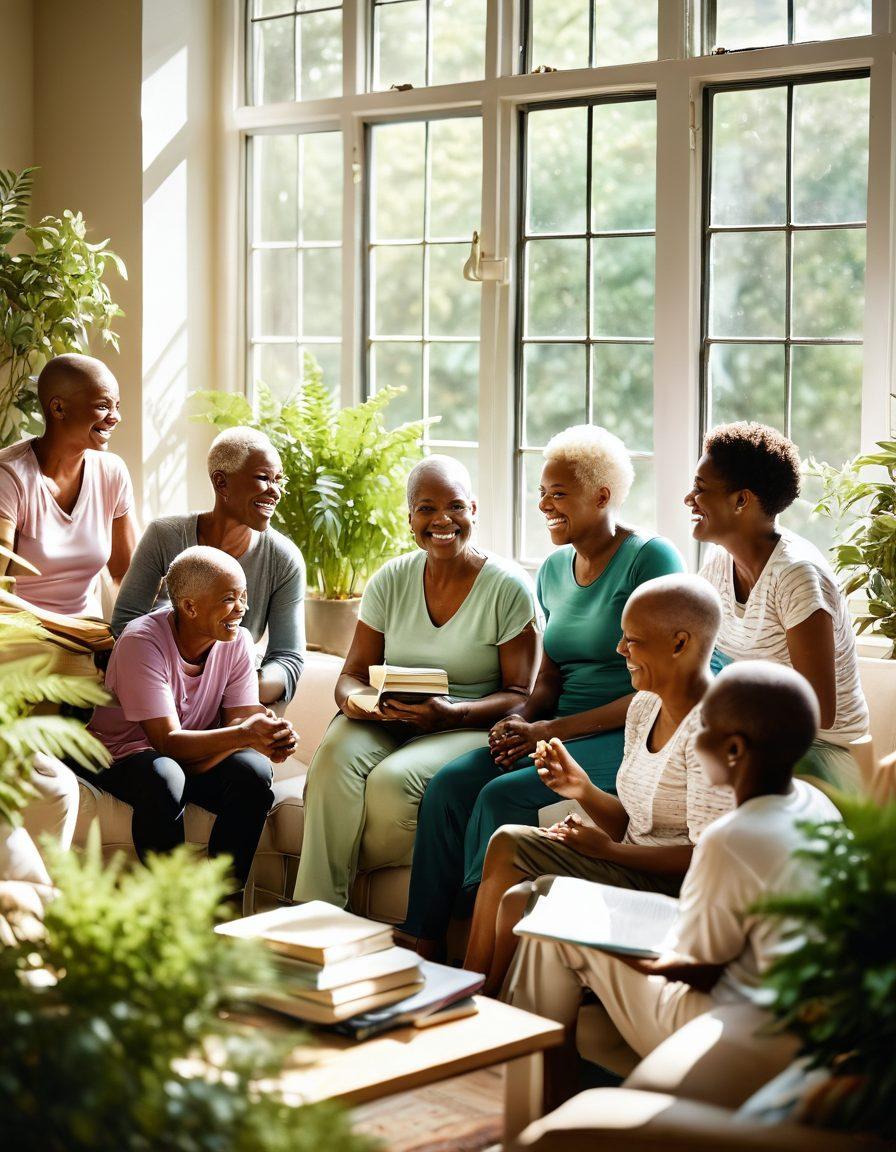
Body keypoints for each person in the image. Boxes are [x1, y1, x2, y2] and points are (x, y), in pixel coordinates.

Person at [503, 661, 841, 1110]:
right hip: (799, 1014)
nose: (694, 741)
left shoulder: (730, 838)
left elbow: (697, 971)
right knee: (559, 911)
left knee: (552, 931)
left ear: (735, 750)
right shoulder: (816, 805)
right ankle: (551, 1091)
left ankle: (534, 1104)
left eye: (703, 731)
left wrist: (618, 947)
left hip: (728, 1021)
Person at [400, 426, 684, 957]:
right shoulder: (553, 568)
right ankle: (424, 936)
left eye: (559, 493)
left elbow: (659, 690)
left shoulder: (651, 559)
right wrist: (523, 719)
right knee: (448, 785)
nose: (544, 504)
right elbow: (549, 677)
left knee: (500, 793)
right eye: (541, 492)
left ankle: (487, 936)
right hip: (558, 728)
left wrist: (549, 730)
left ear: (602, 496)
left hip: (628, 729)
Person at [464, 574, 735, 994]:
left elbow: (705, 858)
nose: (619, 649)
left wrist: (608, 851)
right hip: (631, 865)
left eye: (633, 640)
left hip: (677, 888)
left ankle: (469, 998)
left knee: (507, 843)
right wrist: (582, 789)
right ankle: (484, 1005)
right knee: (517, 896)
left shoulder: (711, 731)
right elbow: (633, 824)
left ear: (680, 644)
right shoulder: (644, 707)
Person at [293, 455, 540, 908]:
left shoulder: (508, 587)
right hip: (386, 716)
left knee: (391, 784)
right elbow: (350, 676)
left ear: (474, 511)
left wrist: (452, 712)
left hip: (465, 721)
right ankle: (315, 917)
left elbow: (521, 698)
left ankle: (337, 874)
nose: (442, 519)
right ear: (410, 520)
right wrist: (355, 704)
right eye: (426, 508)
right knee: (330, 761)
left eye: (456, 506)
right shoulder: (390, 579)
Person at [85, 546, 296, 890]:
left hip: (187, 749)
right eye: (229, 599)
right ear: (189, 606)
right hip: (121, 754)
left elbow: (238, 720)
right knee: (166, 776)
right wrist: (245, 735)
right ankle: (171, 909)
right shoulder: (142, 641)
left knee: (254, 775)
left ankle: (222, 900)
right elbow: (166, 742)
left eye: (243, 596)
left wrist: (266, 737)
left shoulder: (238, 640)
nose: (242, 608)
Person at [687, 421, 868, 786]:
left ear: (742, 500)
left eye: (701, 488)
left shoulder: (796, 576)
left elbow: (820, 712)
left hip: (822, 751)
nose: (689, 498)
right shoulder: (718, 565)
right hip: (759, 737)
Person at [112, 427, 305, 705]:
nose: (275, 491)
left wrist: (238, 688)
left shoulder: (284, 559)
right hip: (158, 685)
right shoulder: (164, 535)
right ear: (221, 483)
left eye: (278, 480)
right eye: (263, 478)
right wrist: (170, 681)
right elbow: (124, 624)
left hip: (235, 692)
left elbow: (288, 658)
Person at [0, 354, 138, 617]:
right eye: (103, 406)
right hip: (22, 641)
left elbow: (127, 576)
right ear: (58, 409)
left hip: (88, 639)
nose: (115, 417)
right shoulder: (9, 477)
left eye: (117, 406)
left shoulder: (112, 472)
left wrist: (128, 633)